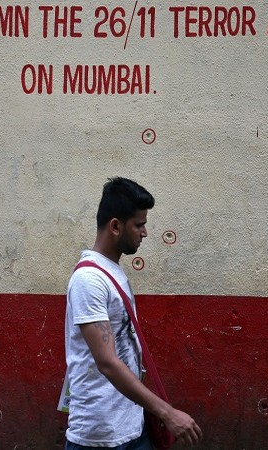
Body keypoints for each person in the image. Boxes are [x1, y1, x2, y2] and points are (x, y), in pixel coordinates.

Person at [64, 177, 203, 449]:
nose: (145, 232)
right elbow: (107, 362)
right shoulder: (89, 280)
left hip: (131, 427)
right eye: (139, 225)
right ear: (115, 226)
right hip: (100, 437)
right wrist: (167, 412)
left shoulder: (111, 271)